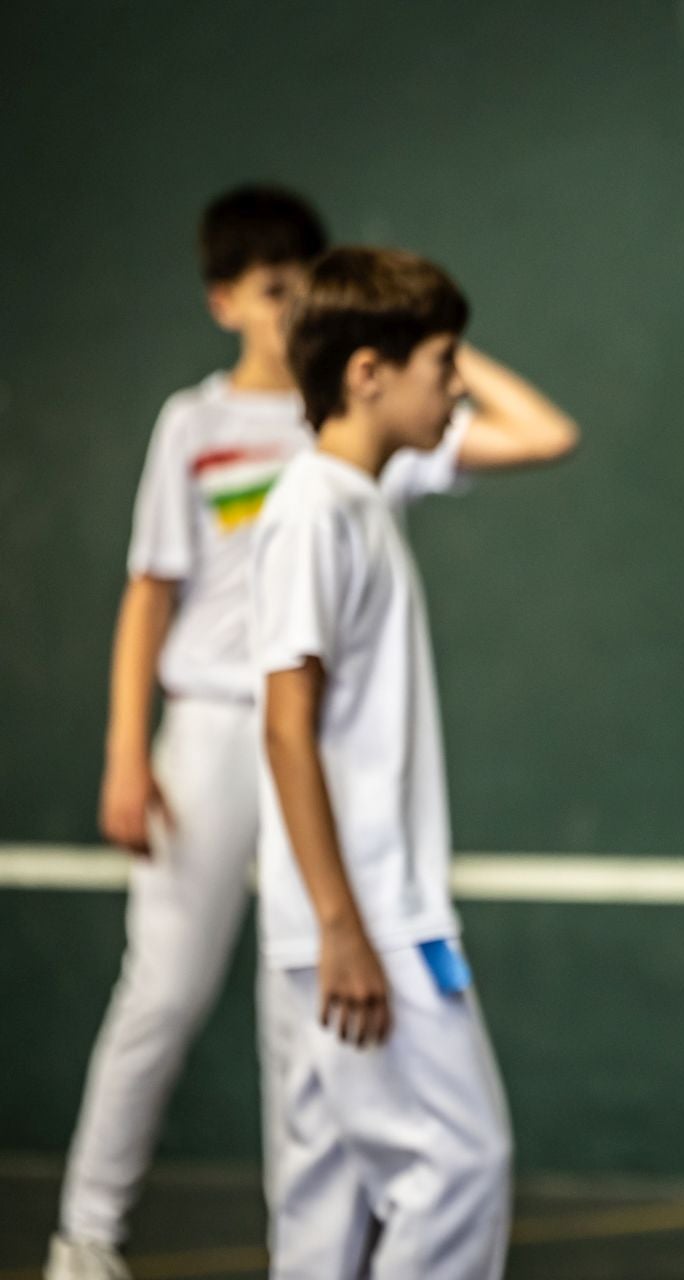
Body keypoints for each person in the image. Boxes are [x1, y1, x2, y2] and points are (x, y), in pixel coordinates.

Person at [252, 245, 575, 1279]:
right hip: (368, 924)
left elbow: (546, 434)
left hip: (347, 920)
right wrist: (346, 925)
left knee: (326, 1210)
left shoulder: (364, 493)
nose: (454, 383)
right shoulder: (312, 509)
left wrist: (425, 325)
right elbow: (282, 725)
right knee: (462, 1163)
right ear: (366, 372)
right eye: (441, 360)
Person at [49, 185, 327, 1280]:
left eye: (308, 280)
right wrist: (128, 751)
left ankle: (310, 1246)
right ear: (224, 301)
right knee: (162, 988)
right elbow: (148, 593)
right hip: (206, 734)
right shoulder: (193, 423)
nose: (294, 302)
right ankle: (84, 1234)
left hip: (318, 742)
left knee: (305, 999)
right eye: (272, 288)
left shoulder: (342, 415)